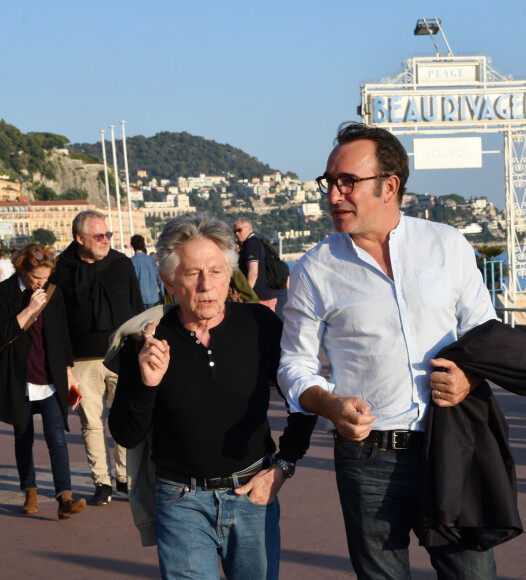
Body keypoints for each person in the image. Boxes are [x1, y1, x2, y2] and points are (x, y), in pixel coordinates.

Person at [277, 122, 499, 580]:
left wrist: (470, 377)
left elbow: (485, 332)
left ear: (389, 186)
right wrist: (329, 403)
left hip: (451, 443)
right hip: (368, 458)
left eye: (347, 182)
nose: (333, 195)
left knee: (473, 574)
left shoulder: (446, 244)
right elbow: (294, 366)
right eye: (329, 182)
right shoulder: (313, 269)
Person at [109, 213, 316, 579]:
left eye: (216, 271)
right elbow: (125, 434)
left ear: (229, 273)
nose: (207, 285)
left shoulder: (260, 326)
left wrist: (284, 465)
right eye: (192, 273)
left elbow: (302, 395)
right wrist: (148, 383)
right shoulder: (147, 341)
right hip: (180, 502)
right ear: (168, 280)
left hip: (254, 495)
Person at [51, 210, 144, 506]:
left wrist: (142, 345)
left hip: (123, 354)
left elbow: (138, 307)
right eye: (99, 236)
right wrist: (64, 365)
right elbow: (57, 321)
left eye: (108, 235)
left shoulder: (121, 263)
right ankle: (101, 482)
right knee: (90, 423)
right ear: (80, 238)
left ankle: (125, 478)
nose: (106, 240)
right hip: (79, 361)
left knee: (124, 420)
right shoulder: (62, 269)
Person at [0, 243, 85, 519]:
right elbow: (3, 336)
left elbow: (62, 335)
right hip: (18, 377)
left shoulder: (53, 294)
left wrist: (69, 371)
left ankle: (65, 496)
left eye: (46, 277)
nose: (42, 282)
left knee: (57, 438)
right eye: (37, 277)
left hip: (50, 377)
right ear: (23, 270)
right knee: (23, 438)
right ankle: (30, 491)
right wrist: (27, 311)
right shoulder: (4, 293)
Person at [233, 217, 278, 311]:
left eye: (239, 230)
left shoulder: (251, 244)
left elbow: (253, 273)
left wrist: (246, 294)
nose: (237, 233)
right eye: (235, 231)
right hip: (267, 295)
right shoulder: (257, 242)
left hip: (259, 297)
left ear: (249, 229)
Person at [130, 234, 165, 309]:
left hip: (139, 300)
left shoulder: (130, 262)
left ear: (132, 245)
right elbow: (159, 278)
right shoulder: (151, 259)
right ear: (143, 245)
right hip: (153, 298)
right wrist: (162, 294)